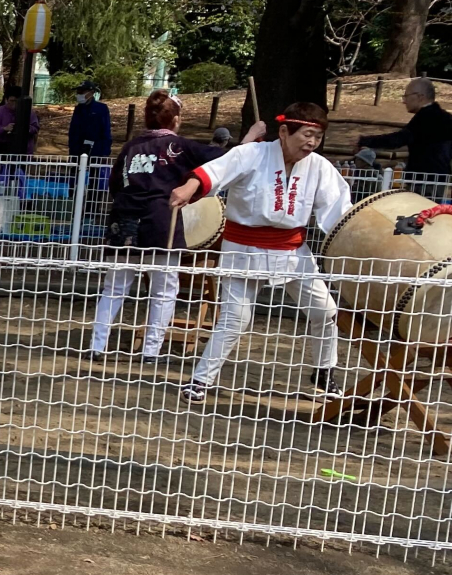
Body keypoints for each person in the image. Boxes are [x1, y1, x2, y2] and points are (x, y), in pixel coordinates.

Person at [170, 102, 352, 402]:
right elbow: (215, 171)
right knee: (236, 318)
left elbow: (339, 211)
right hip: (243, 249)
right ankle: (201, 379)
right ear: (284, 131)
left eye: (317, 137)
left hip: (293, 251)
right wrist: (190, 186)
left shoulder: (320, 167)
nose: (312, 143)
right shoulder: (251, 154)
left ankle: (324, 373)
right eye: (307, 135)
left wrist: (357, 230)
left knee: (326, 311)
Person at [86, 91, 222, 363]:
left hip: (124, 219)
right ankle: (151, 352)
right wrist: (251, 141)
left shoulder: (130, 148)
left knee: (114, 288)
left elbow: (115, 185)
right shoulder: (179, 147)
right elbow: (221, 159)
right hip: (161, 221)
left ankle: (96, 346)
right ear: (176, 120)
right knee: (164, 290)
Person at [356, 76, 452, 180]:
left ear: (420, 97)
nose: (404, 101)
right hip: (442, 177)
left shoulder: (425, 118)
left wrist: (365, 141)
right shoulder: (446, 117)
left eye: (406, 96)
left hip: (424, 178)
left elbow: (398, 139)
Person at [0, 87, 39, 155]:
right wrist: (4, 128)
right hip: (2, 150)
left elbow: (35, 128)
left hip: (24, 151)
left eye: (17, 101)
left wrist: (25, 128)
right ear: (6, 100)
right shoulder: (0, 111)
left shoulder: (28, 111)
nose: (14, 104)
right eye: (12, 101)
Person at [68, 79, 113, 160]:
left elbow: (106, 131)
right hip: (77, 151)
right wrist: (72, 149)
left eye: (82, 92)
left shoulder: (101, 109)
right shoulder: (78, 109)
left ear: (91, 92)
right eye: (78, 92)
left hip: (96, 151)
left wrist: (105, 152)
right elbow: (73, 131)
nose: (79, 94)